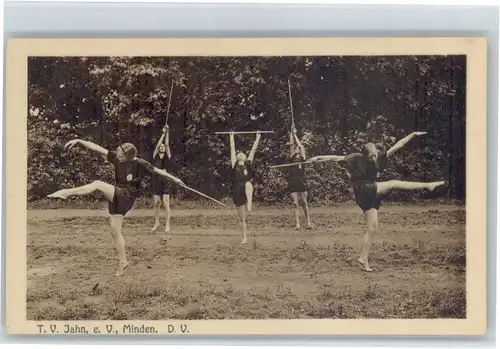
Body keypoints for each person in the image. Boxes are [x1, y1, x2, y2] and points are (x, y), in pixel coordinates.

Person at [308, 131, 445, 272]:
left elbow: (399, 145)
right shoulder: (355, 158)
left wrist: (413, 135)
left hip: (370, 192)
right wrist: (317, 158)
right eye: (371, 156)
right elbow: (334, 158)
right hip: (363, 189)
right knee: (394, 183)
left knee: (372, 228)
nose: (374, 158)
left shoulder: (379, 157)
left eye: (375, 155)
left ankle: (363, 258)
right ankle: (428, 185)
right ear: (365, 155)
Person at [47, 139, 184, 276]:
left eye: (120, 154)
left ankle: (66, 193)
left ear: (128, 156)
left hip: (127, 195)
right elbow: (97, 148)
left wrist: (176, 180)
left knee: (97, 184)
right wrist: (79, 141)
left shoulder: (140, 163)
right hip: (117, 195)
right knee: (115, 231)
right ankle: (123, 262)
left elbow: (159, 172)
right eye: (117, 152)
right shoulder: (117, 157)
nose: (116, 155)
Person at [229, 131, 261, 244]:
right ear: (238, 158)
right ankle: (244, 238)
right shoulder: (235, 164)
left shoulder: (247, 163)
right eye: (240, 153)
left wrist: (257, 137)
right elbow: (232, 149)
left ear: (245, 157)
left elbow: (253, 150)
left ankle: (249, 202)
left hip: (246, 188)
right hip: (237, 191)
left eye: (243, 153)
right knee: (242, 218)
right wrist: (231, 137)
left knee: (248, 184)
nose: (241, 153)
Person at [151, 125, 177, 235]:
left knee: (166, 203)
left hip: (166, 181)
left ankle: (167, 224)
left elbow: (166, 144)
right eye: (160, 146)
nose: (161, 147)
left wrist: (168, 131)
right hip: (156, 181)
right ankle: (156, 223)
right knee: (157, 203)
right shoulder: (155, 156)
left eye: (163, 147)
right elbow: (158, 145)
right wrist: (163, 133)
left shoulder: (168, 156)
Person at [287, 126, 313, 230]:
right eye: (295, 147)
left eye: (297, 147)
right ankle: (297, 224)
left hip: (302, 180)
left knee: (304, 202)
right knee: (295, 203)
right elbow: (291, 144)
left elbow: (300, 145)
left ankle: (308, 223)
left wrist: (295, 134)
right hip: (293, 180)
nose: (297, 147)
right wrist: (292, 133)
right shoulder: (291, 157)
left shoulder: (303, 157)